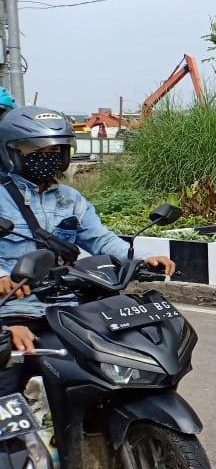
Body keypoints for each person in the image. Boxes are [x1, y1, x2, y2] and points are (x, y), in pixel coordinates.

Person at [0, 107, 175, 391]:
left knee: (116, 367)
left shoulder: (70, 199)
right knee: (8, 380)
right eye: (39, 150)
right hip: (13, 312)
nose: (50, 157)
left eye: (57, 150)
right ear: (12, 152)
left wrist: (140, 260)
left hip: (69, 310)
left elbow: (101, 240)